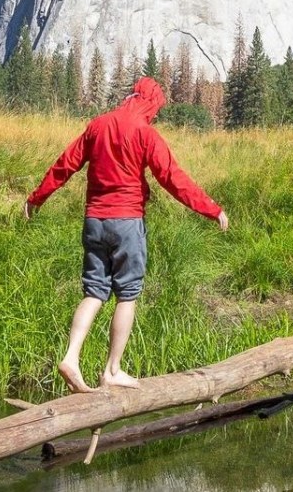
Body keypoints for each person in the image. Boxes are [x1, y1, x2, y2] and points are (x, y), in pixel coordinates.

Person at [24, 76, 229, 391]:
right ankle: (112, 370)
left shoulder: (97, 125)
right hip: (127, 222)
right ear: (150, 103)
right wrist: (212, 209)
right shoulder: (145, 133)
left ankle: (71, 356)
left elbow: (65, 165)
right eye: (156, 109)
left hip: (94, 220)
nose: (155, 115)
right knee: (127, 295)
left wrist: (36, 198)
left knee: (94, 292)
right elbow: (173, 178)